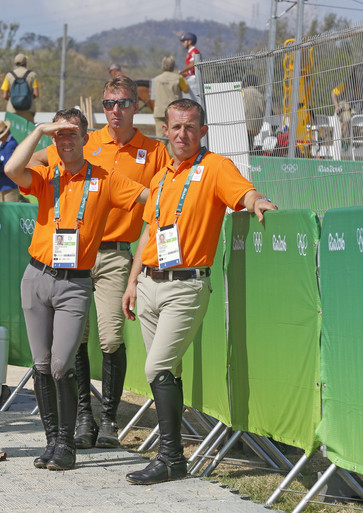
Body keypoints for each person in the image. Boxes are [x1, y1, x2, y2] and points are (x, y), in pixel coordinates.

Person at [121, 99, 277, 485]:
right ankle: (173, 462)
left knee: (155, 368)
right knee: (166, 371)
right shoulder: (160, 178)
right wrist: (132, 280)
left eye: (190, 127)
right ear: (166, 130)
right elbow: (148, 233)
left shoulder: (215, 167)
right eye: (175, 127)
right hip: (149, 284)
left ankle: (170, 456)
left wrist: (258, 202)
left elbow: (244, 193)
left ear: (202, 131)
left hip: (186, 286)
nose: (182, 134)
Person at [4, 108, 149, 471]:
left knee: (60, 364)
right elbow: (10, 170)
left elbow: (151, 198)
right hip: (36, 277)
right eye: (60, 135)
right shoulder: (46, 175)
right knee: (40, 364)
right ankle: (53, 442)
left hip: (75, 284)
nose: (66, 141)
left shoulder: (105, 178)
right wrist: (39, 130)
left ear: (86, 139)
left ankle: (67, 444)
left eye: (72, 134)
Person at [31, 76, 170, 452]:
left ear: (136, 107)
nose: (115, 110)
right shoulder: (84, 140)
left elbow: (166, 193)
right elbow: (35, 163)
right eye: (109, 103)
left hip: (113, 255)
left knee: (110, 338)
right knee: (74, 340)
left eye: (123, 103)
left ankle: (108, 419)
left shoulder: (154, 150)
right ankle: (83, 417)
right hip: (71, 255)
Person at [331, 64, 363, 150]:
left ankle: (359, 141)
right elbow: (334, 93)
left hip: (362, 107)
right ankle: (346, 141)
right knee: (347, 119)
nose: (361, 73)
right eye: (359, 71)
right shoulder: (347, 82)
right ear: (355, 72)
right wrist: (337, 106)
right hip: (347, 107)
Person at [152, 56, 189, 138]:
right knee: (175, 138)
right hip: (175, 112)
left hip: (160, 112)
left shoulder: (156, 79)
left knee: (161, 139)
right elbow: (186, 90)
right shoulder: (179, 78)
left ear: (163, 65)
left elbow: (154, 95)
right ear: (173, 66)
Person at [1, 54, 40, 123]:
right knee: (29, 133)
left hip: (12, 109)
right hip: (28, 109)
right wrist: (26, 99)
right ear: (25, 63)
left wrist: (13, 99)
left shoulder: (9, 75)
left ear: (15, 63)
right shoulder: (32, 75)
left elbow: (4, 95)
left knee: (12, 132)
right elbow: (36, 94)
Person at [242, 74, 265, 152]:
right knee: (250, 142)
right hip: (256, 127)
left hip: (244, 126)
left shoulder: (243, 92)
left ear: (245, 83)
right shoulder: (260, 95)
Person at [178, 32, 201, 102]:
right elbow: (190, 71)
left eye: (184, 41)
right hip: (190, 77)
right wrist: (182, 74)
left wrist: (181, 71)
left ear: (189, 41)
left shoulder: (194, 51)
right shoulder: (190, 52)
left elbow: (193, 64)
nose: (183, 44)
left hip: (194, 79)